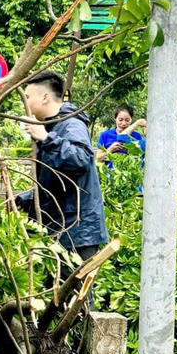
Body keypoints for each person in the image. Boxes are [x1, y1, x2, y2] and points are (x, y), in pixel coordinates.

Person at [14, 70, 109, 261]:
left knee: (75, 290)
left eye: (28, 96)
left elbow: (81, 160)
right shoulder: (52, 128)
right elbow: (55, 182)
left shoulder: (71, 125)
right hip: (58, 228)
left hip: (77, 233)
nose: (25, 102)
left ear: (45, 97)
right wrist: (22, 200)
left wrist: (46, 138)